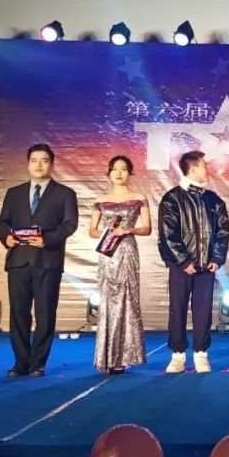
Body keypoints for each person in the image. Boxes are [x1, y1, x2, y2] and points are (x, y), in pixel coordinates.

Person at [0, 143, 79, 377]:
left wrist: (47, 239)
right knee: (18, 314)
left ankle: (37, 363)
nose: (38, 165)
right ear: (27, 164)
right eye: (34, 160)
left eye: (44, 160)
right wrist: (6, 237)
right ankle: (20, 363)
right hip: (18, 261)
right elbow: (2, 223)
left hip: (48, 261)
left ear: (51, 164)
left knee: (45, 314)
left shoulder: (65, 194)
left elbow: (70, 224)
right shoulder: (14, 193)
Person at [159, 151, 229, 374]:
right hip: (181, 266)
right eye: (204, 165)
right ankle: (178, 354)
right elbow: (168, 234)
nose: (207, 169)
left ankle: (201, 353)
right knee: (177, 308)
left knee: (203, 310)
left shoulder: (213, 200)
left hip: (206, 265)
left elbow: (222, 232)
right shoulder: (172, 199)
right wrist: (182, 261)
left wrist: (216, 258)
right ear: (193, 168)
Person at [87, 156, 150, 375]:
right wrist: (107, 233)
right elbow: (92, 230)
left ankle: (123, 356)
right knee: (107, 300)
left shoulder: (139, 198)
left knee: (127, 299)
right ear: (109, 173)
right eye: (114, 169)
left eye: (123, 169)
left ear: (130, 173)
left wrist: (128, 230)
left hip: (127, 251)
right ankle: (106, 356)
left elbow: (147, 228)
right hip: (107, 251)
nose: (119, 173)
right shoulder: (100, 199)